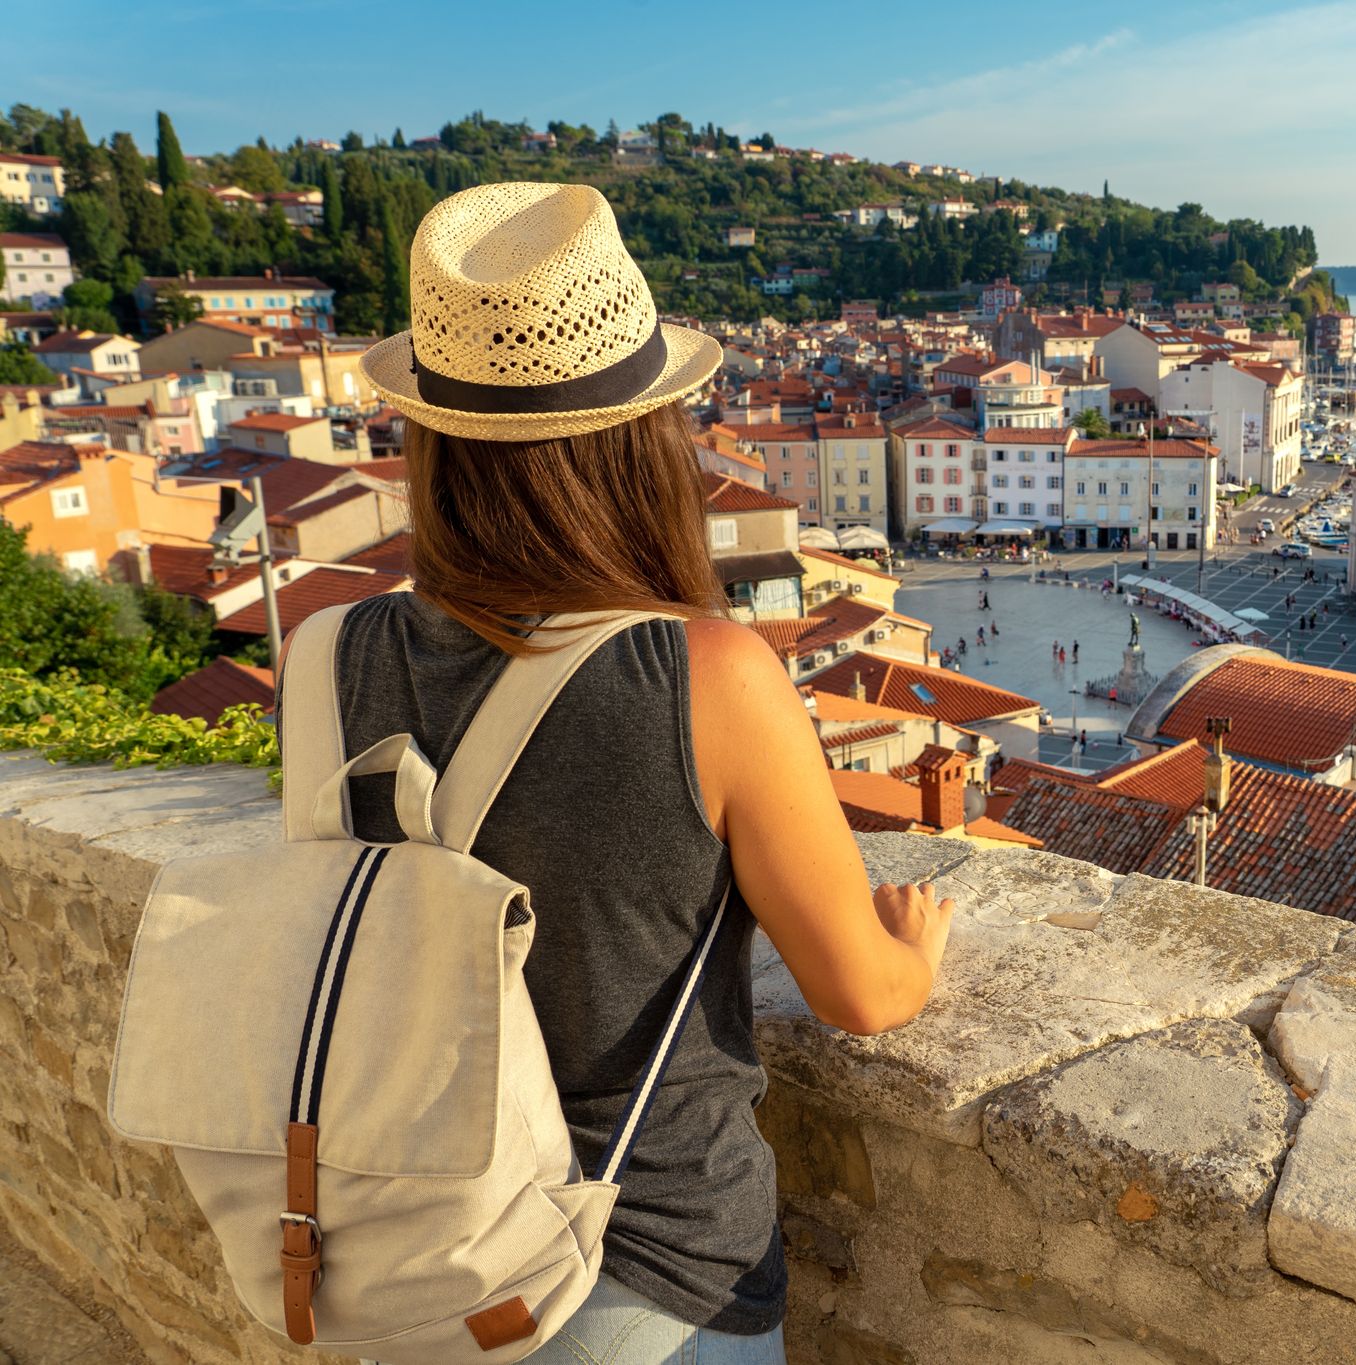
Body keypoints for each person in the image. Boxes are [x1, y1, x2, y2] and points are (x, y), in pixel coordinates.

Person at [329, 184, 951, 1365]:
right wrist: (912, 951)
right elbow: (860, 998)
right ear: (645, 438)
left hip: (404, 1258)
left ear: (431, 441)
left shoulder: (328, 657)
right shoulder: (708, 676)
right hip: (641, 1282)